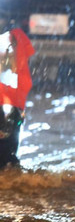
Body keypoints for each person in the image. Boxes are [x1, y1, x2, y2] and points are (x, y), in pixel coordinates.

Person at [0, 21, 34, 169]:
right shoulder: (17, 36)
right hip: (14, 105)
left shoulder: (11, 38)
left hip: (8, 105)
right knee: (9, 158)